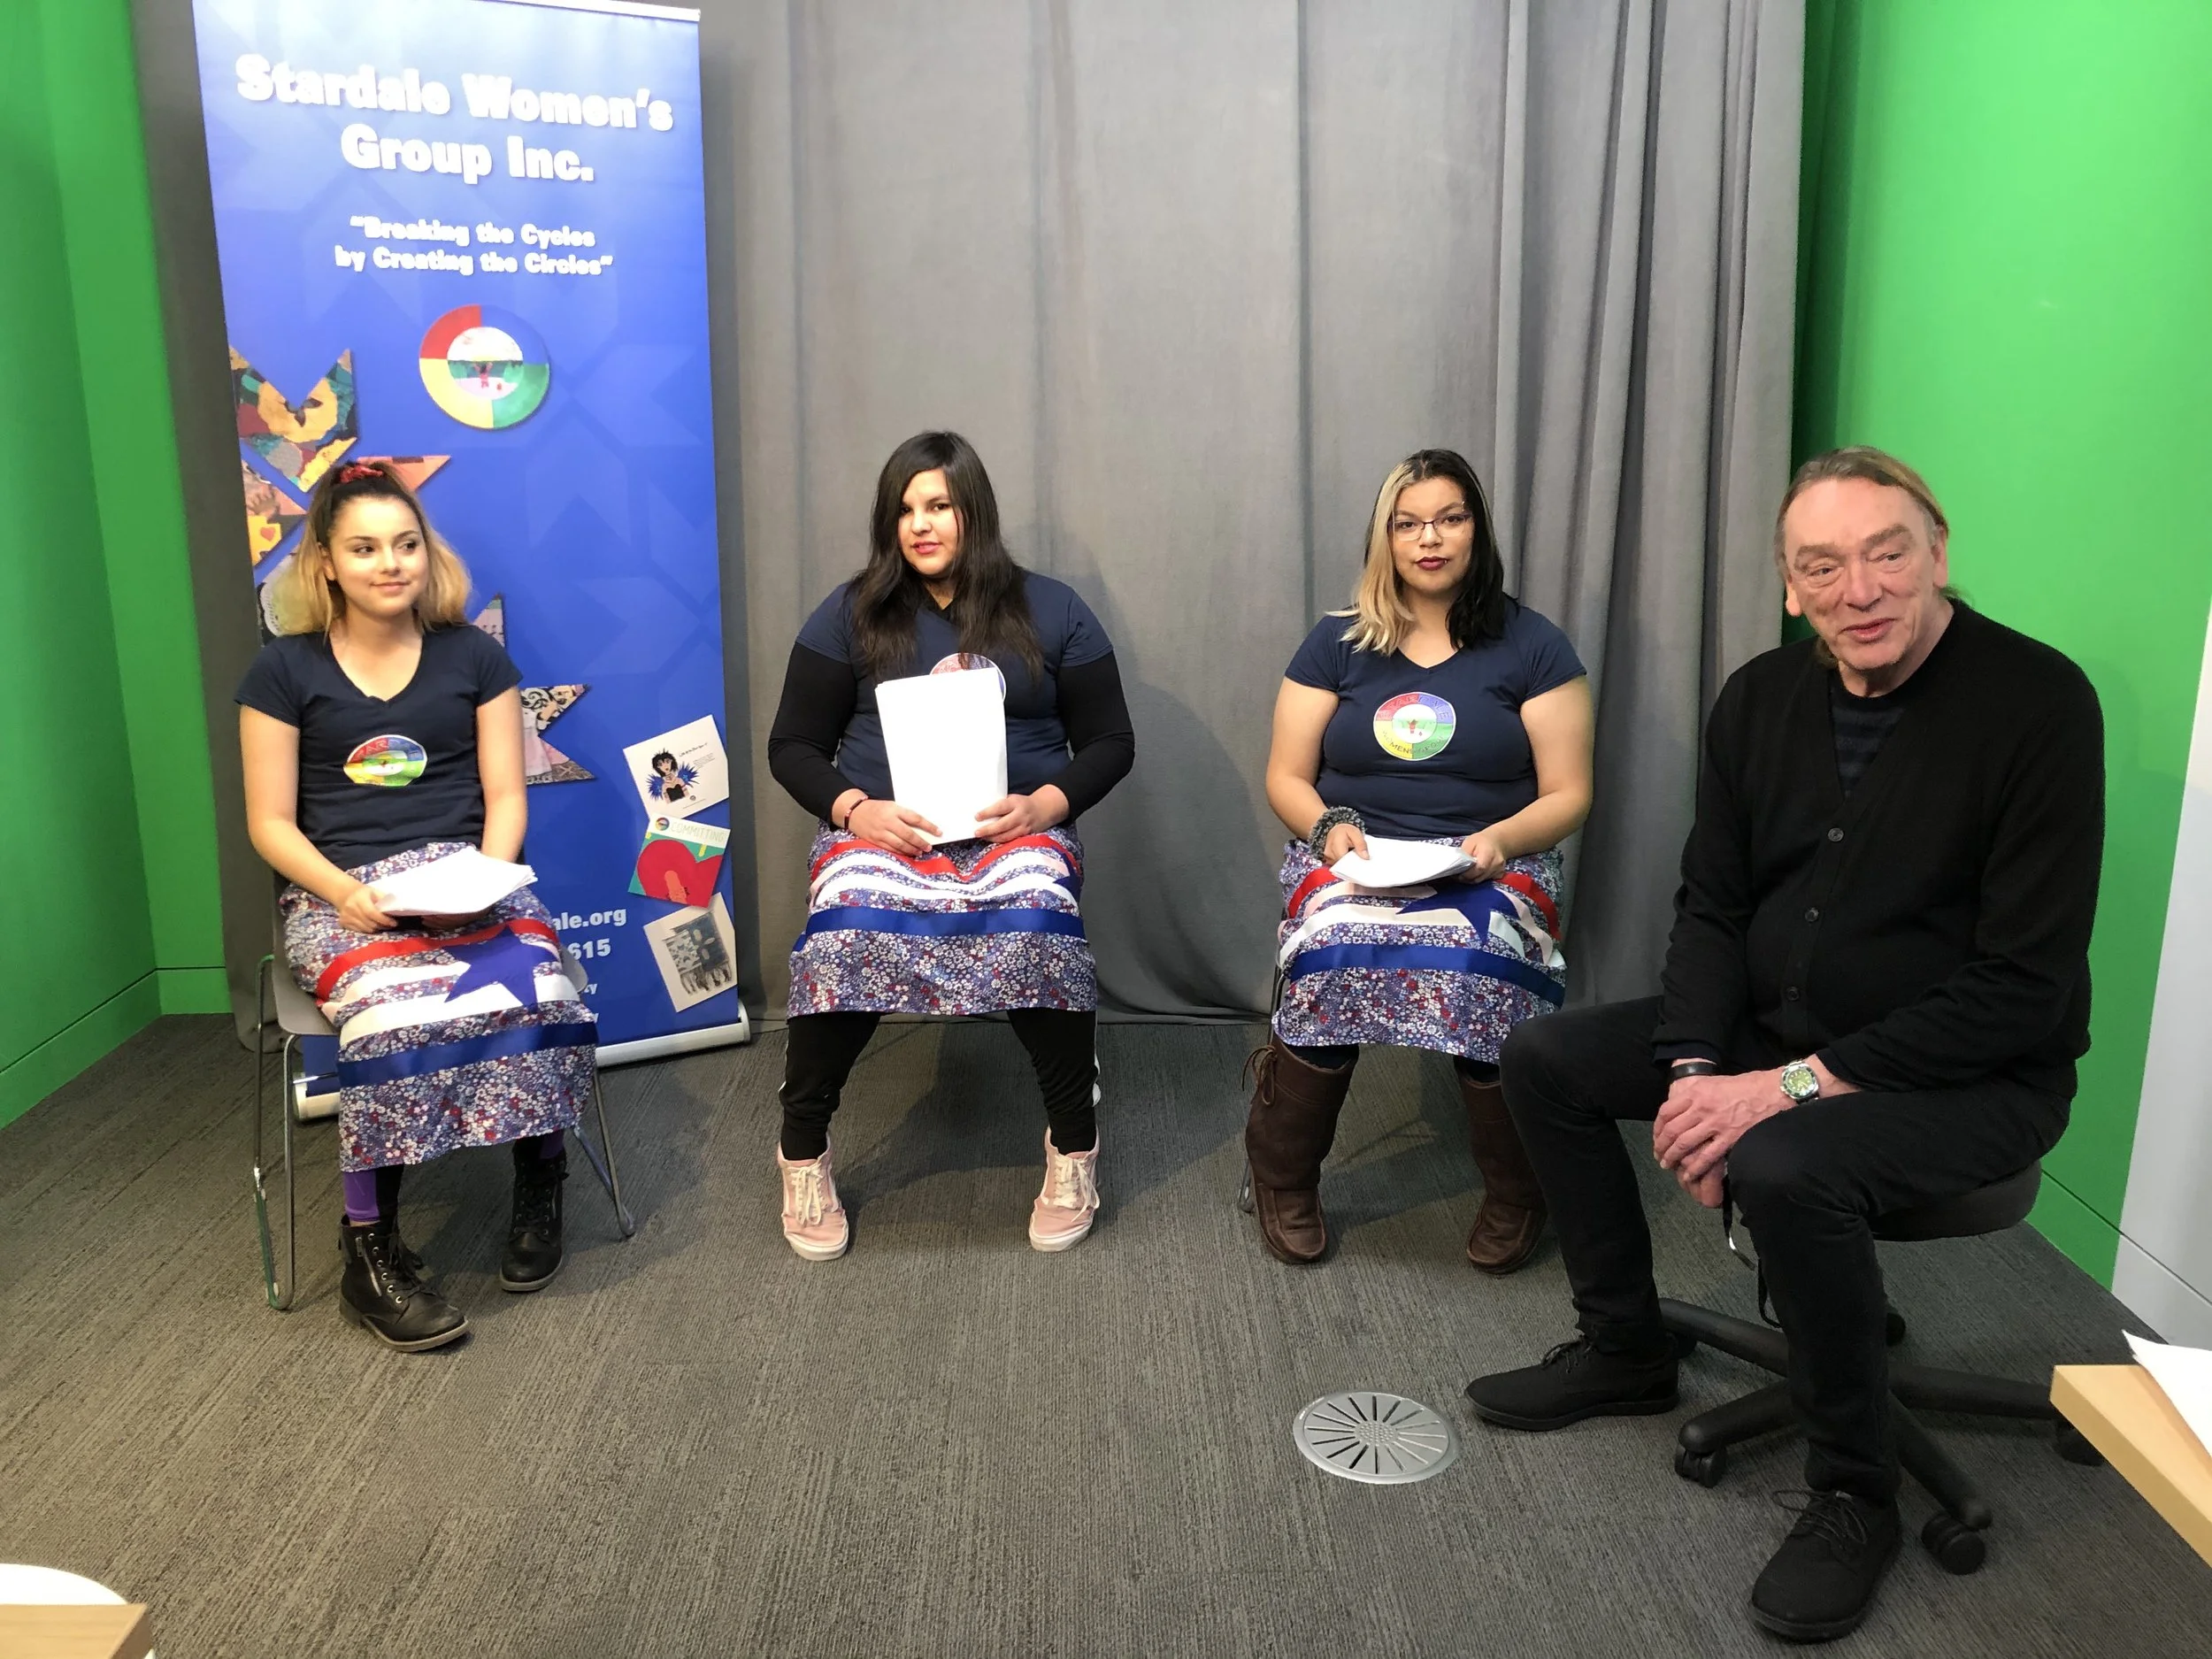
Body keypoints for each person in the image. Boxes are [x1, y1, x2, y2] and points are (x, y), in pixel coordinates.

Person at [1463, 447, 2103, 1643]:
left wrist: (1781, 1091)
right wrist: (1698, 1071)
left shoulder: (2038, 704)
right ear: (1790, 585)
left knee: (1781, 1160)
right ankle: (1626, 1347)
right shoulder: (1759, 698)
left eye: (1886, 553)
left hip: (1974, 1075)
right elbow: (1712, 907)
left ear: (1938, 551)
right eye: (1822, 566)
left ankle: (1855, 1490)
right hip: (1773, 1034)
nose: (1860, 589)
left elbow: (2023, 988)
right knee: (1545, 1057)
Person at [237, 459, 595, 1352]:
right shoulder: (282, 670)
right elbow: (270, 823)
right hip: (342, 892)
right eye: (364, 548)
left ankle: (540, 1181)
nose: (389, 563)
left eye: (405, 544)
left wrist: (485, 881)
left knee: (540, 991)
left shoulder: (475, 656)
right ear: (325, 562)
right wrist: (345, 893)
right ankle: (369, 1248)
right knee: (390, 1018)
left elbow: (506, 797)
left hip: (467, 876)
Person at [764, 430, 1136, 1259]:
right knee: (845, 933)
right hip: (885, 835)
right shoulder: (851, 612)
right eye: (905, 509)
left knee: (1039, 924)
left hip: (1017, 833)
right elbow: (791, 746)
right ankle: (802, 1150)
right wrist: (855, 810)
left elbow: (1112, 740)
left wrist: (1046, 804)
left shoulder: (1054, 609)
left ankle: (1073, 1148)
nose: (920, 524)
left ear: (974, 511)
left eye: (938, 505)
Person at [1248, 449, 1593, 1270]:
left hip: (1492, 859)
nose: (1429, 538)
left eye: (1449, 518)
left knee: (1486, 962)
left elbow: (1569, 793)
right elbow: (1286, 776)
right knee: (1332, 952)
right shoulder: (1337, 641)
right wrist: (1330, 829)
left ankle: (1518, 1191)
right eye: (1409, 524)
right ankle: (1282, 1175)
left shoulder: (1533, 644)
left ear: (1477, 529)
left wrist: (1502, 840)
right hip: (1358, 854)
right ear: (1386, 537)